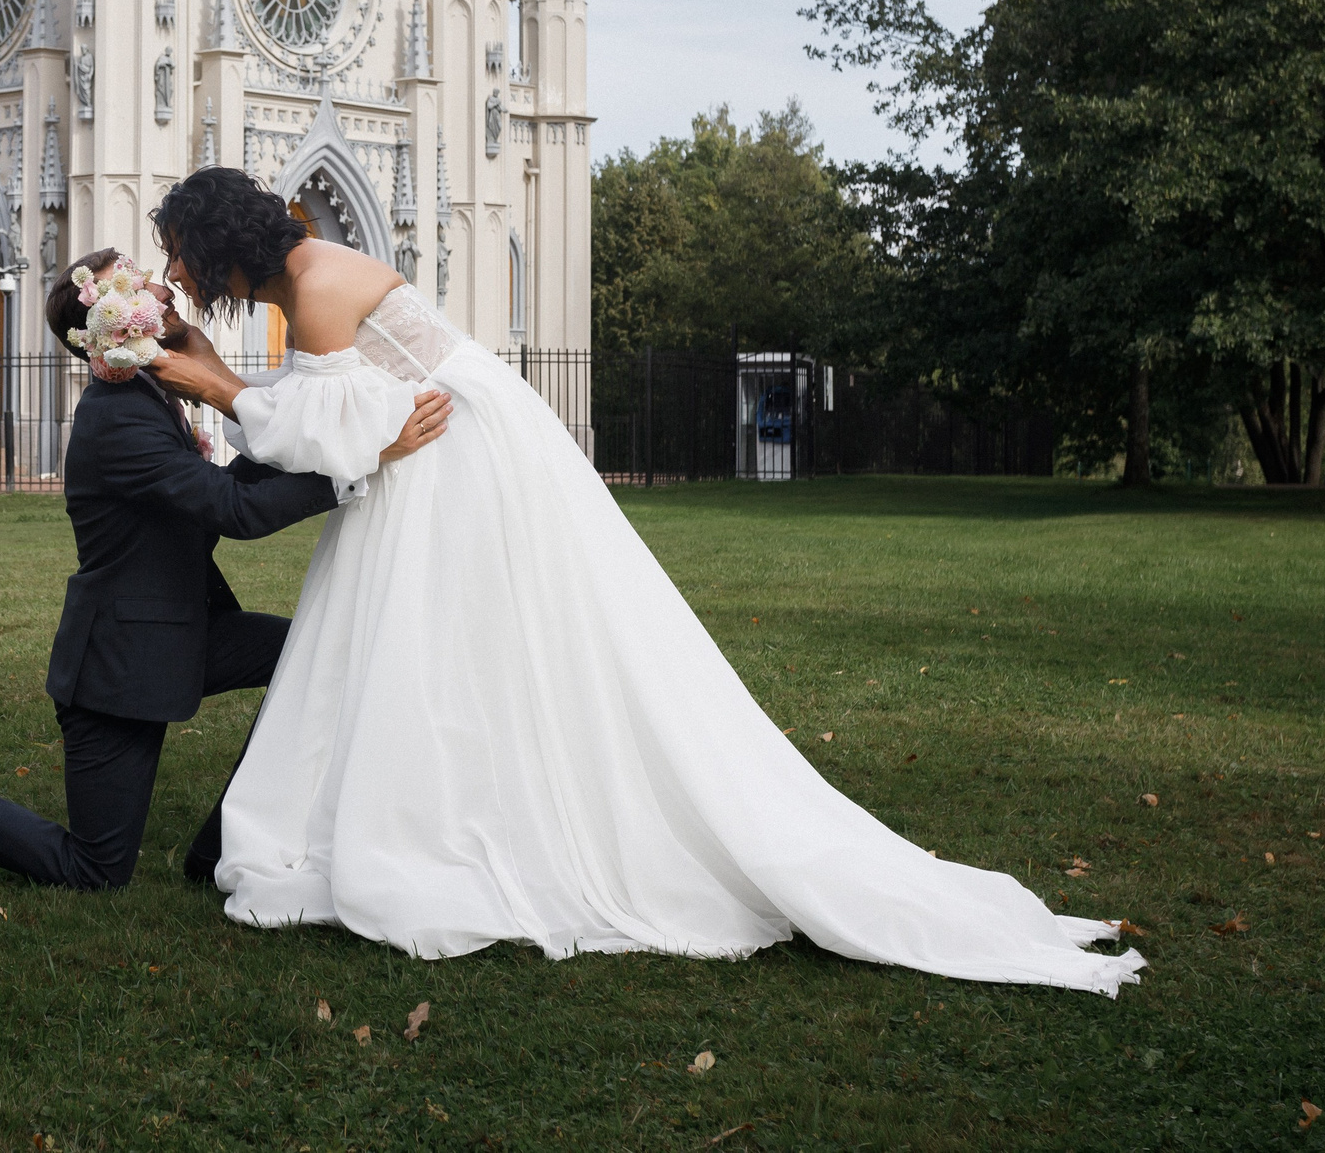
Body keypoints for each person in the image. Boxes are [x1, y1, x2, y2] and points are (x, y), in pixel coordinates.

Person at [144, 166, 1144, 995]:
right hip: (433, 451)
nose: (171, 270)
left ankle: (452, 825)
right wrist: (230, 385)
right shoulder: (300, 280)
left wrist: (215, 385)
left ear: (217, 243)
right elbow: (336, 420)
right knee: (415, 643)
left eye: (178, 252)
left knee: (448, 639)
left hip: (458, 461)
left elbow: (329, 432)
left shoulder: (315, 284)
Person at [0, 246, 451, 890]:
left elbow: (219, 483)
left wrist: (287, 409)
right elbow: (232, 508)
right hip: (122, 662)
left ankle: (228, 845)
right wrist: (362, 456)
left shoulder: (152, 393)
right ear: (105, 333)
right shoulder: (116, 419)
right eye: (133, 291)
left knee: (316, 659)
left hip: (186, 630)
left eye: (146, 278)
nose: (160, 288)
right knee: (94, 870)